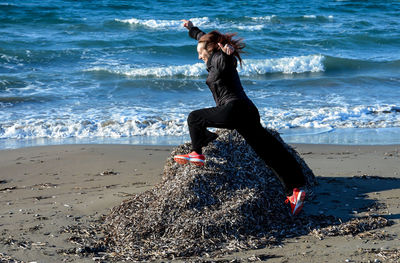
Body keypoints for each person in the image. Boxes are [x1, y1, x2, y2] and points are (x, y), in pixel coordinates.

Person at [174, 19, 307, 216]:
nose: (198, 57)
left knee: (194, 118)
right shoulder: (212, 52)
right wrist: (191, 28)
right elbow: (202, 38)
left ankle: (197, 152)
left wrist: (228, 55)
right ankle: (294, 190)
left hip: (234, 109)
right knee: (269, 152)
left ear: (210, 50)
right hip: (247, 110)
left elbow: (228, 63)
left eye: (199, 53)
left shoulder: (219, 58)